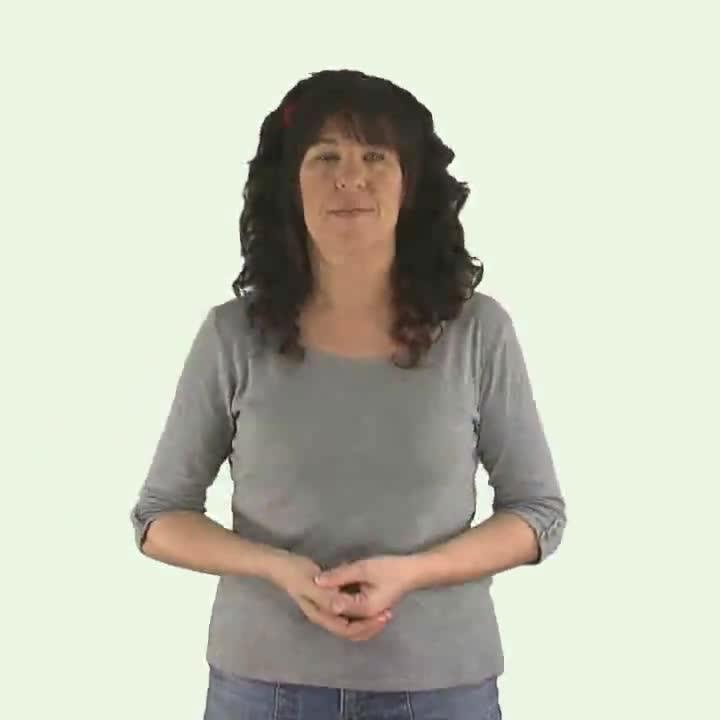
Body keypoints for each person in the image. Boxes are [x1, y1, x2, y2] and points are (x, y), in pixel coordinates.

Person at [129, 68, 566, 720]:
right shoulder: (231, 336)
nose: (350, 177)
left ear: (411, 184)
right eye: (325, 157)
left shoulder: (479, 331)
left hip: (442, 688)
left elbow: (537, 514)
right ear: (290, 186)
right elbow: (160, 518)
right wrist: (277, 568)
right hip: (262, 689)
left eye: (375, 157)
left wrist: (412, 573)